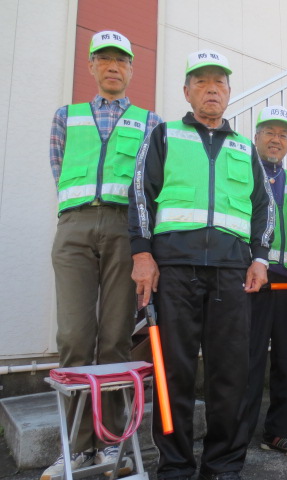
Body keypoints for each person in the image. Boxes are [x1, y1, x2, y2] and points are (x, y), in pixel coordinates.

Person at [128, 50, 273, 480]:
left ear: (228, 93)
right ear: (187, 91)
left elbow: (263, 210)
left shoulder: (246, 148)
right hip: (174, 269)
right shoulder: (165, 135)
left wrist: (260, 259)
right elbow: (140, 195)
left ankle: (223, 466)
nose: (212, 89)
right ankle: (174, 467)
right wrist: (142, 254)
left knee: (231, 373)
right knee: (175, 373)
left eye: (220, 83)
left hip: (232, 272)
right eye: (202, 82)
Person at [44, 30, 162, 480]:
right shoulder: (65, 117)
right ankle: (76, 448)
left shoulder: (150, 122)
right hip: (74, 225)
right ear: (91, 66)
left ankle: (111, 443)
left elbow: (149, 182)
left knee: (114, 339)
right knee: (74, 336)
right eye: (104, 59)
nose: (113, 67)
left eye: (121, 61)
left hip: (123, 227)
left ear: (131, 70)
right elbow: (59, 170)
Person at [243, 106, 287, 456]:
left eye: (283, 135)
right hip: (254, 280)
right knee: (248, 359)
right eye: (269, 132)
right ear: (256, 138)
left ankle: (277, 433)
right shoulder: (242, 172)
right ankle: (238, 434)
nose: (276, 139)